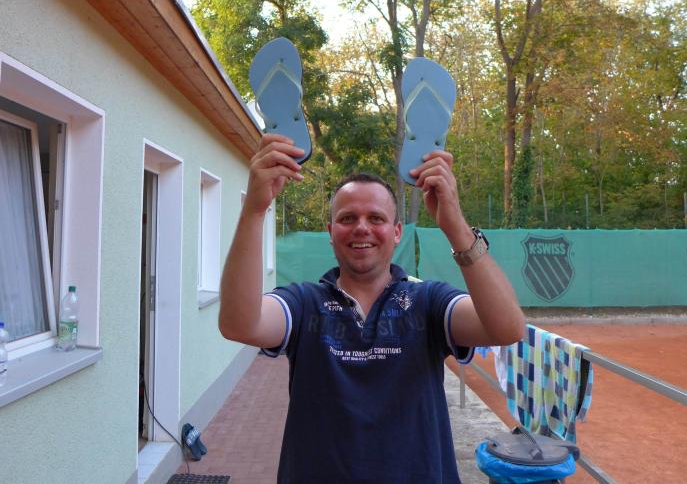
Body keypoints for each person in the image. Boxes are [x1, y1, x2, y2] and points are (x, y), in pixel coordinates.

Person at [220, 133, 525, 484]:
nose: (362, 227)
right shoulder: (304, 303)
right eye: (348, 218)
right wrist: (255, 209)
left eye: (376, 218)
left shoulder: (427, 301)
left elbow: (508, 328)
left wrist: (455, 225)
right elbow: (239, 324)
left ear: (396, 232)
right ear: (330, 231)